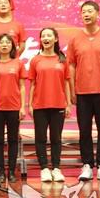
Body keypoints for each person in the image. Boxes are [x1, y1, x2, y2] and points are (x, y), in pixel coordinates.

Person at [67, 1, 100, 182]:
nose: (86, 14)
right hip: (82, 92)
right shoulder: (75, 39)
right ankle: (87, 165)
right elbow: (71, 66)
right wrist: (72, 91)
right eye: (83, 12)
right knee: (84, 131)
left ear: (98, 14)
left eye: (90, 11)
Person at [27, 28, 71, 183]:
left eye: (49, 35)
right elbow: (32, 84)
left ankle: (56, 168)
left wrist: (68, 104)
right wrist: (30, 104)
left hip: (58, 104)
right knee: (40, 138)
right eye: (43, 36)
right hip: (40, 104)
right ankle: (44, 168)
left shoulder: (62, 60)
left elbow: (66, 83)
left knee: (56, 139)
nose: (45, 38)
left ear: (56, 39)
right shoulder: (35, 60)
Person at [0, 34, 26, 184]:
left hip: (14, 106)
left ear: (12, 46)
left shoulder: (18, 63)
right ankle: (1, 172)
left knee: (13, 139)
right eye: (1, 42)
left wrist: (22, 106)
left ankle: (12, 171)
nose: (4, 45)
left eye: (8, 42)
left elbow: (22, 86)